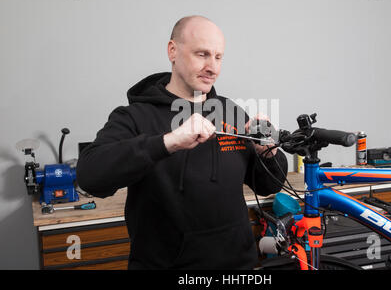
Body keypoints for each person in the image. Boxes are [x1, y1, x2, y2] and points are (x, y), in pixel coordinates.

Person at [76, 15, 288, 269]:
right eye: (202, 54)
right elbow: (90, 176)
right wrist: (168, 142)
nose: (213, 67)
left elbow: (268, 185)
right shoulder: (135, 116)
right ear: (172, 51)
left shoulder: (230, 112)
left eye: (218, 57)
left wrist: (268, 153)